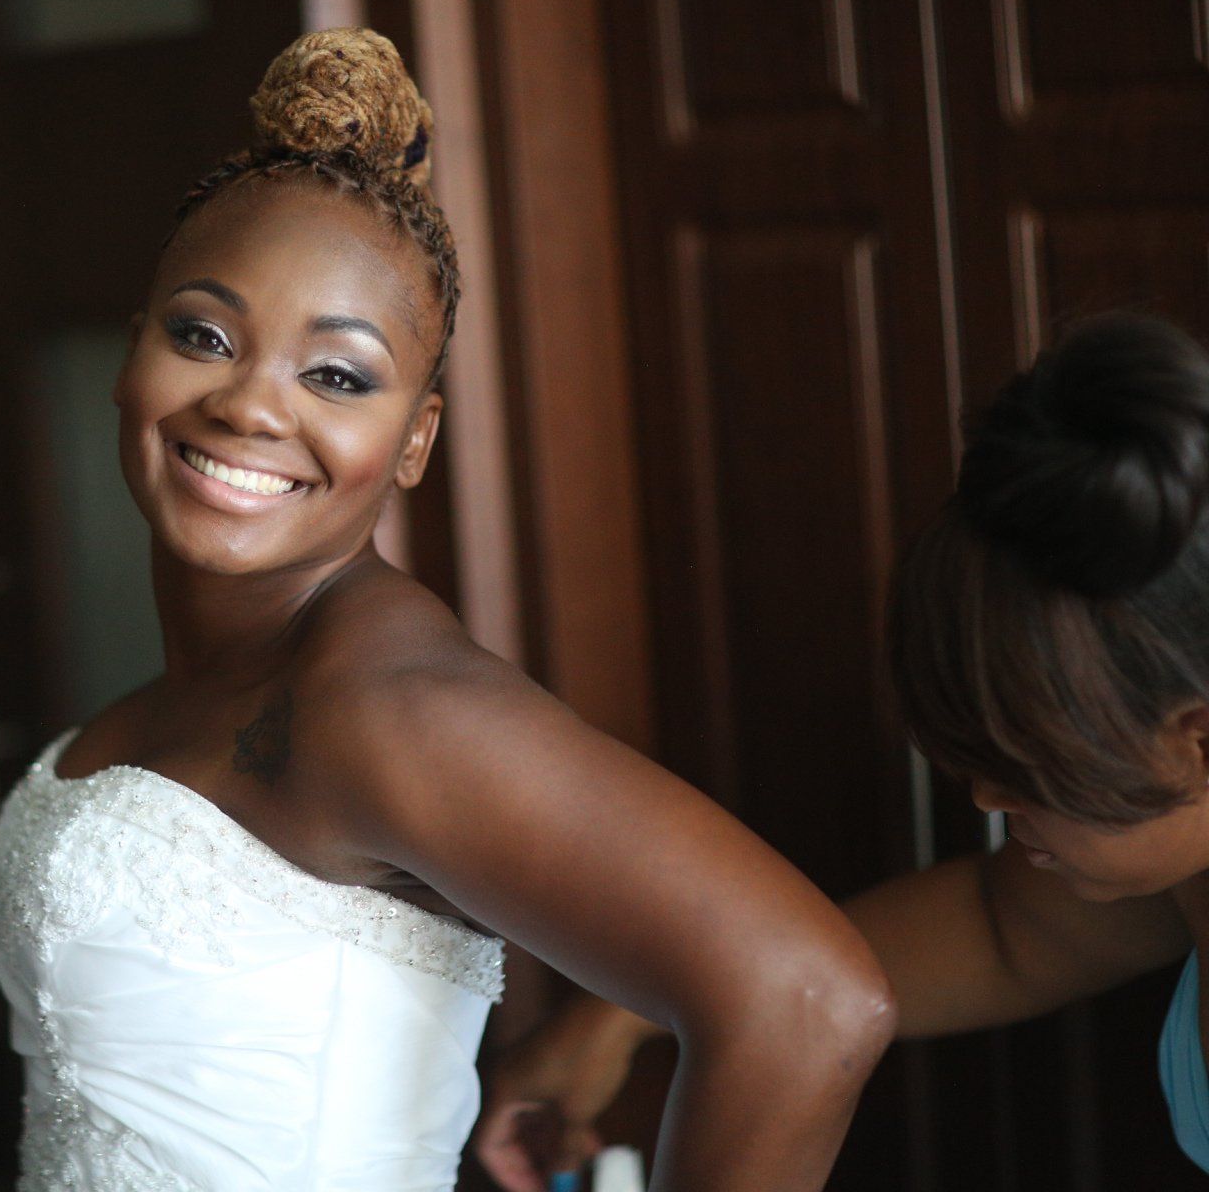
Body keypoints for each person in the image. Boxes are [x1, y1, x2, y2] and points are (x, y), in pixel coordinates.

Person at [0, 28, 893, 1191]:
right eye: (203, 334)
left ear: (415, 440)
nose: (252, 403)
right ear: (133, 353)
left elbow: (806, 998)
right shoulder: (211, 681)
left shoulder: (389, 702)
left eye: (339, 374)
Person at [478, 311, 1209, 1186]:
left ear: (1196, 739)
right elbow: (1001, 929)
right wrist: (625, 1013)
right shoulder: (1167, 877)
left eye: (1032, 766)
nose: (984, 799)